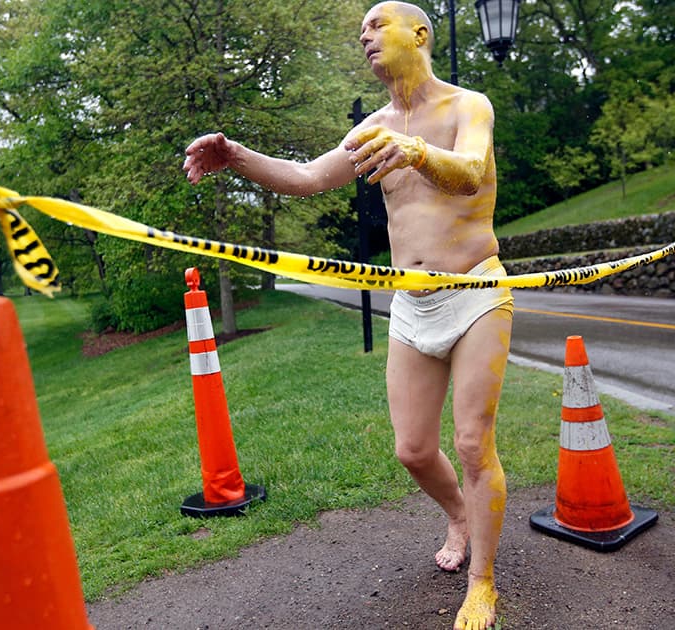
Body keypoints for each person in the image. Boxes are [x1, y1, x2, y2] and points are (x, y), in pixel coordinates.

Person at [183, 2, 512, 628]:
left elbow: (471, 173)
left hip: (475, 291)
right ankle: (460, 515)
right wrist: (239, 156)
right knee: (414, 449)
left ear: (419, 34)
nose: (363, 36)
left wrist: (415, 151)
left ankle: (483, 581)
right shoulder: (374, 126)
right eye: (359, 29)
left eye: (375, 24)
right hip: (412, 303)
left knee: (472, 443)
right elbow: (308, 177)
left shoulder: (468, 105)